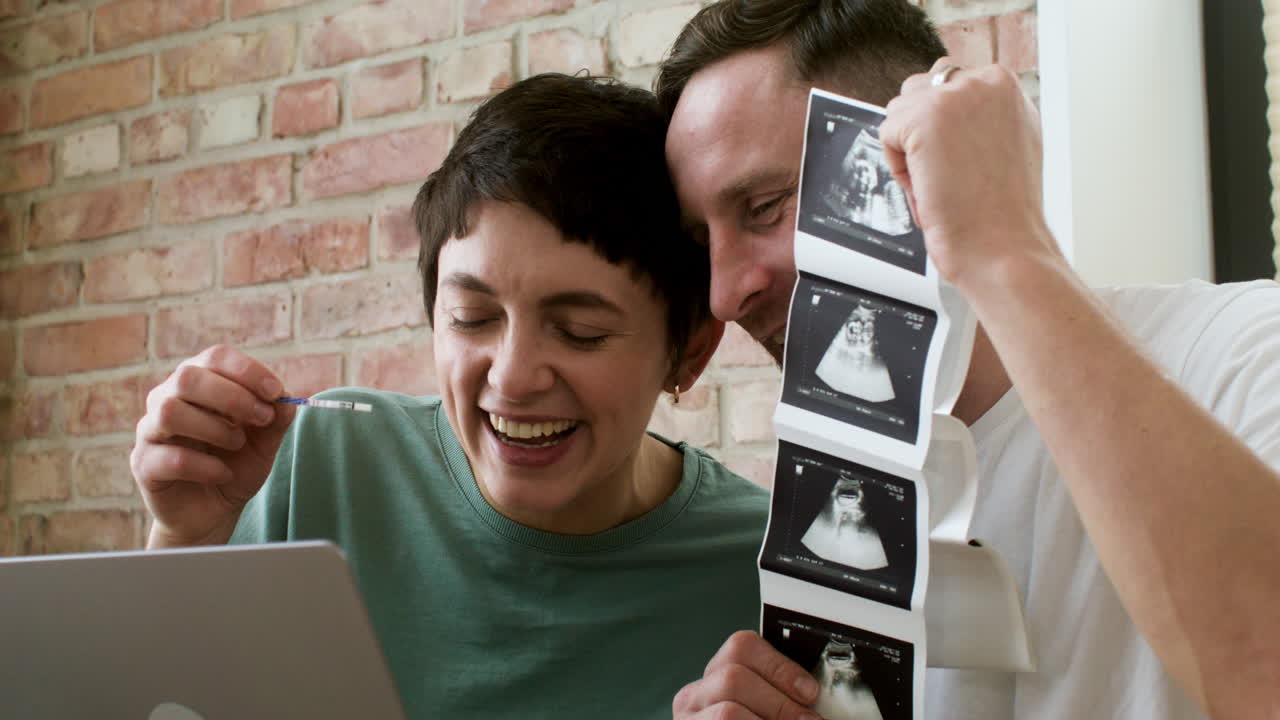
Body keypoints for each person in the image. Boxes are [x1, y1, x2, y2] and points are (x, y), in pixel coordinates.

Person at [655, 1, 1280, 719]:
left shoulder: (1241, 354)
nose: (726, 293)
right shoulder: (834, 525)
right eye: (703, 241)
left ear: (914, 154)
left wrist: (1004, 246)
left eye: (764, 207)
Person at [129, 73, 771, 719]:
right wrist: (186, 539)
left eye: (581, 332)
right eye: (471, 317)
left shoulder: (769, 568)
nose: (513, 378)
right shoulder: (332, 459)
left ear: (688, 350)